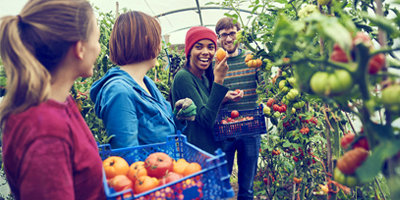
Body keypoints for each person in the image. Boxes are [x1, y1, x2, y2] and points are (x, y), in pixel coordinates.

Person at [0, 0, 106, 199]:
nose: (99, 49)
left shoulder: (60, 103)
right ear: (80, 48)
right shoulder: (46, 130)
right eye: (97, 39)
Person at [90, 11, 195, 149]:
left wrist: (178, 117)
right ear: (147, 41)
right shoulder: (119, 92)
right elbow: (128, 157)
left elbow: (160, 131)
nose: (160, 46)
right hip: (152, 169)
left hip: (166, 167)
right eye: (158, 38)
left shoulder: (146, 82)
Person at [215, 17, 263, 200]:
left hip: (251, 128)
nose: (228, 39)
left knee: (247, 187)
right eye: (224, 35)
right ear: (218, 38)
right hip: (224, 129)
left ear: (239, 35)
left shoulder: (252, 60)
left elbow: (267, 90)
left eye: (232, 33)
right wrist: (223, 98)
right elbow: (210, 97)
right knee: (222, 183)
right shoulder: (214, 64)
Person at [170, 26, 230, 154]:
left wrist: (224, 97)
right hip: (197, 156)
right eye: (198, 47)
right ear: (189, 51)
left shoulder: (204, 78)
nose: (205, 51)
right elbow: (206, 120)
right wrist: (219, 80)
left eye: (210, 47)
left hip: (213, 151)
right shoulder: (183, 77)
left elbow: (208, 108)